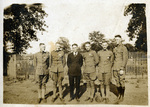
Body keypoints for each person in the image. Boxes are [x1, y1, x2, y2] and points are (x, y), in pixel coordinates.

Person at [112, 35, 128, 104]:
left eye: (118, 39)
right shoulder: (114, 48)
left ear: (121, 40)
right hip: (115, 68)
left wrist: (122, 68)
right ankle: (118, 95)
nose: (117, 41)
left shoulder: (124, 48)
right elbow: (113, 59)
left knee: (122, 82)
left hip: (120, 68)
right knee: (117, 82)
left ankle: (122, 96)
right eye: (115, 39)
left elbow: (125, 59)